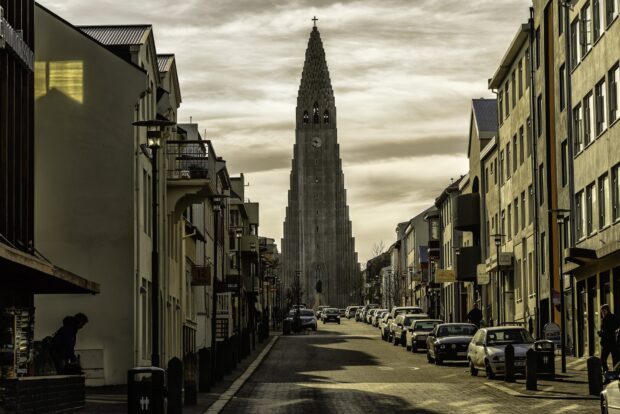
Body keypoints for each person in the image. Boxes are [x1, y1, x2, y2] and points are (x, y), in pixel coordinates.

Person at [598, 304, 620, 372]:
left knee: (603, 359)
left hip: (607, 343)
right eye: (601, 311)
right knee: (615, 359)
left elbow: (607, 331)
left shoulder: (606, 319)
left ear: (606, 310)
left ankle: (607, 372)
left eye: (603, 311)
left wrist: (601, 333)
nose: (602, 313)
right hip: (613, 342)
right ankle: (615, 373)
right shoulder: (613, 317)